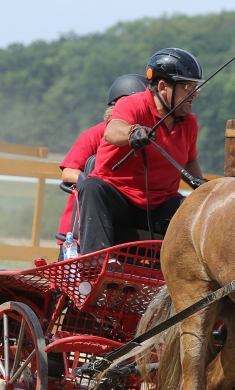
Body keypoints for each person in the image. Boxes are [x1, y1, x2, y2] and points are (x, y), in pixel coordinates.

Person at [77, 48, 205, 254]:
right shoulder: (133, 104)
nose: (195, 93)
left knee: (197, 207)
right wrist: (133, 132)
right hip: (119, 202)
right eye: (186, 86)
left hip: (160, 205)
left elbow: (189, 162)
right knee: (92, 186)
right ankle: (95, 264)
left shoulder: (189, 122)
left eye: (195, 87)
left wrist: (203, 187)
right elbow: (112, 130)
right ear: (163, 86)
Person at [55, 74, 149, 259]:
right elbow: (68, 173)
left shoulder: (146, 138)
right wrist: (100, 185)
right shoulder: (95, 134)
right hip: (81, 226)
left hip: (123, 223)